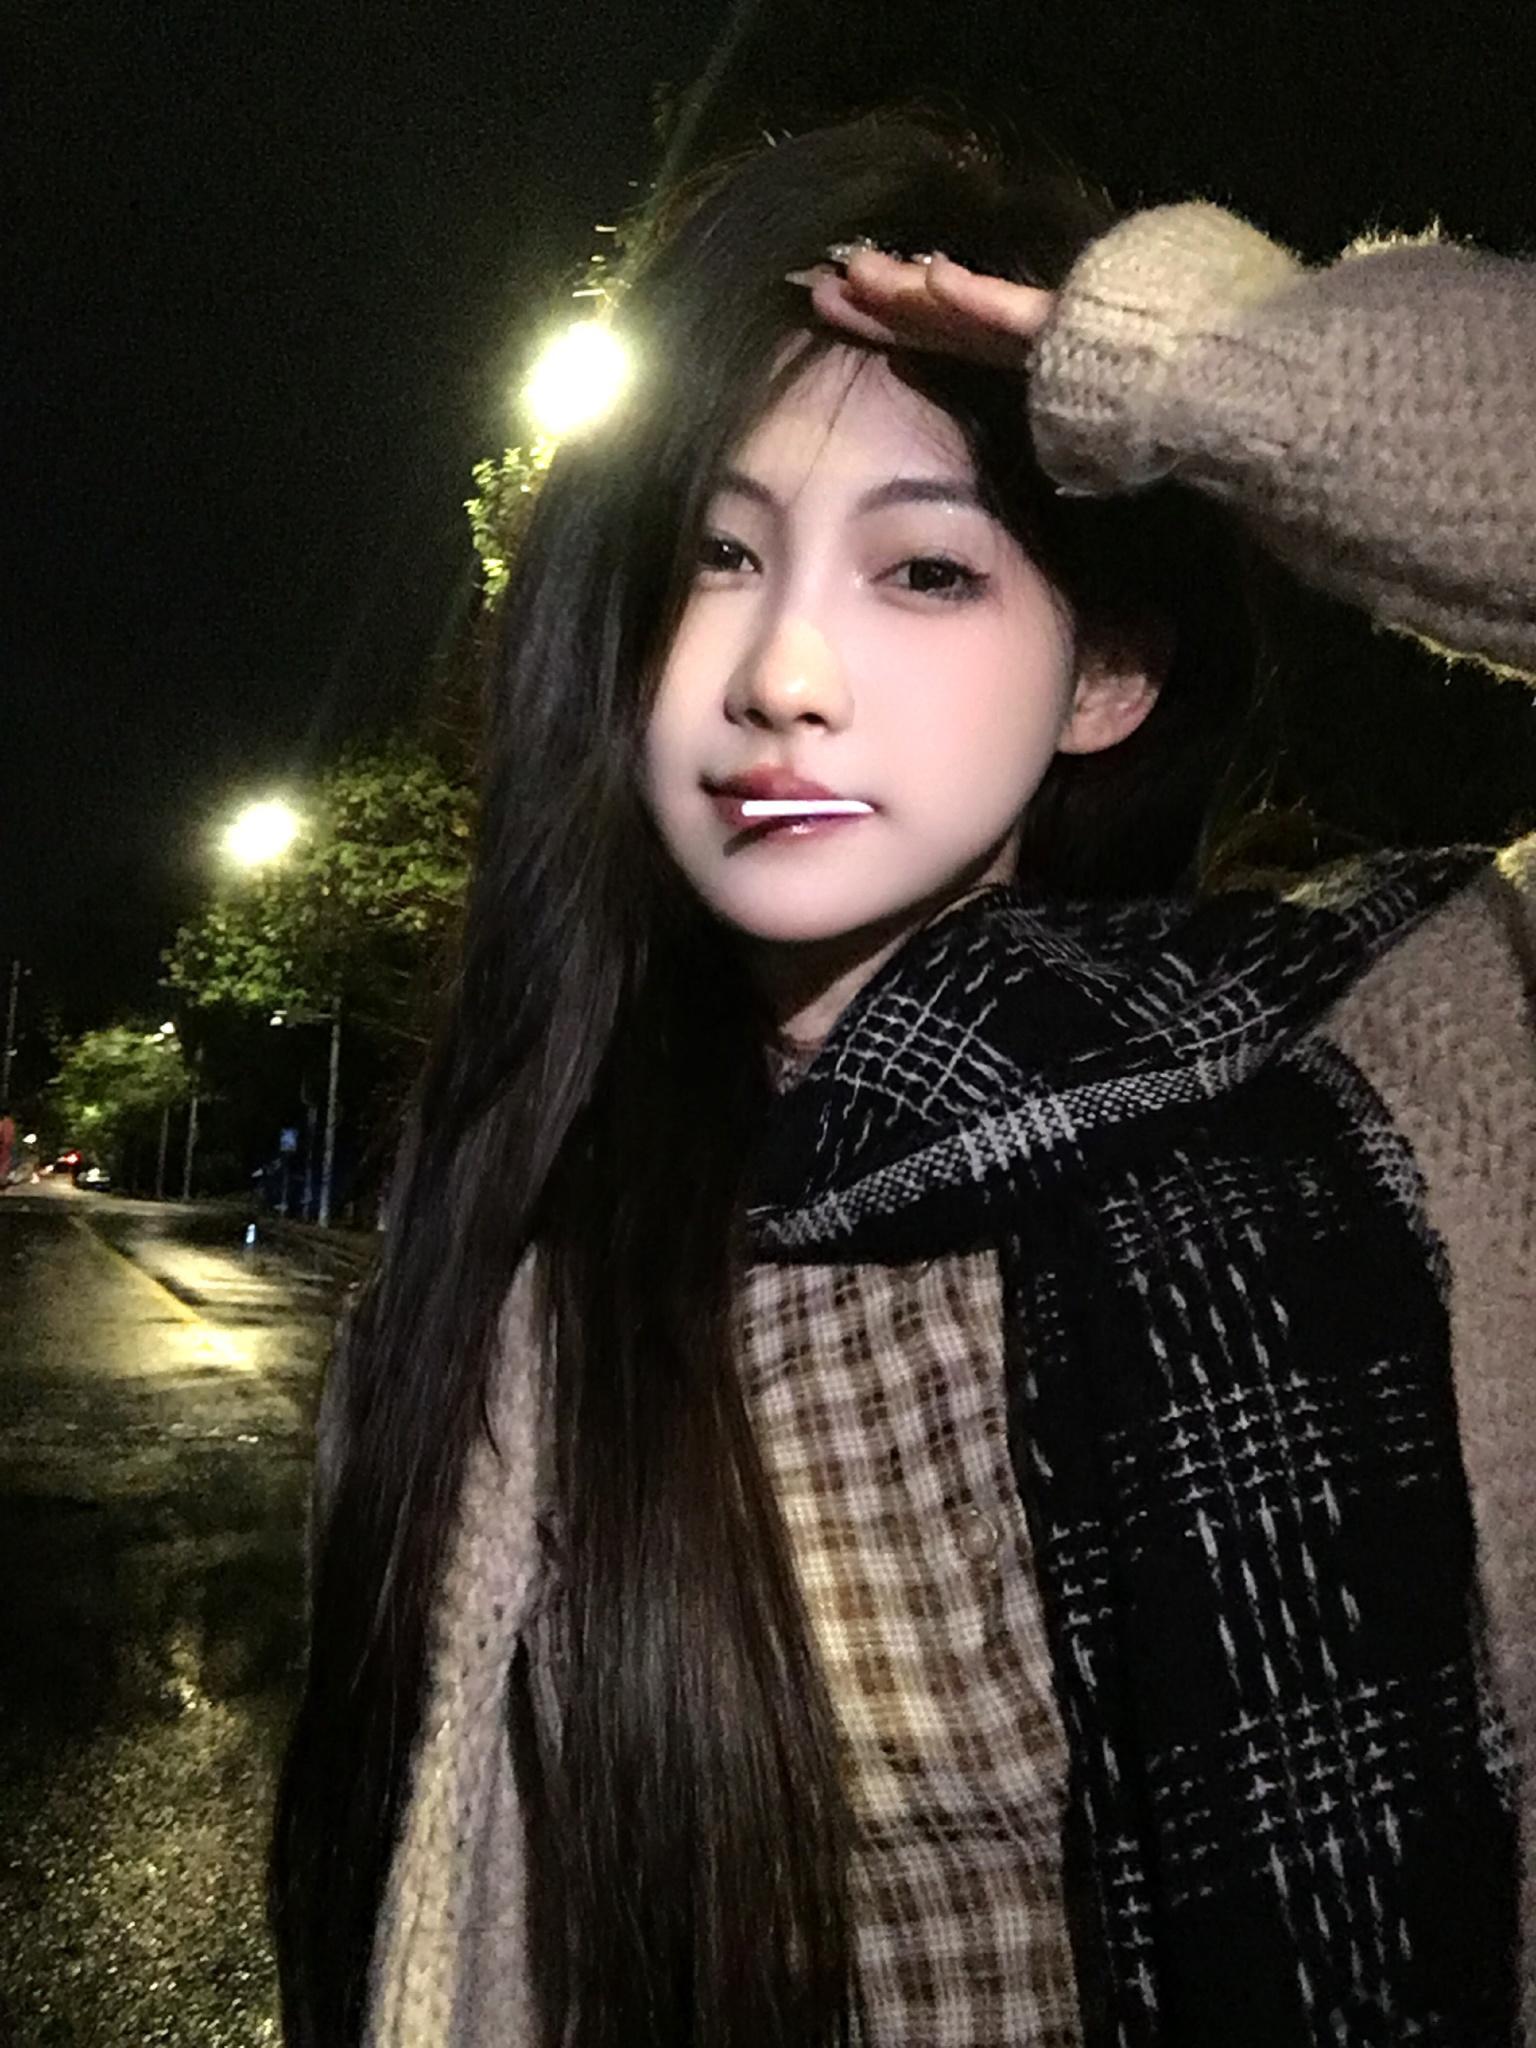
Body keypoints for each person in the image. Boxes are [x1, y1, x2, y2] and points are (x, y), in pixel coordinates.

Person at [271, 117, 1536, 2047]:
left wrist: (1203, 366)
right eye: (715, 555)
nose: (783, 673)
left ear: (1105, 672)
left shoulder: (1417, 1049)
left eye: (926, 570)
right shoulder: (519, 1290)